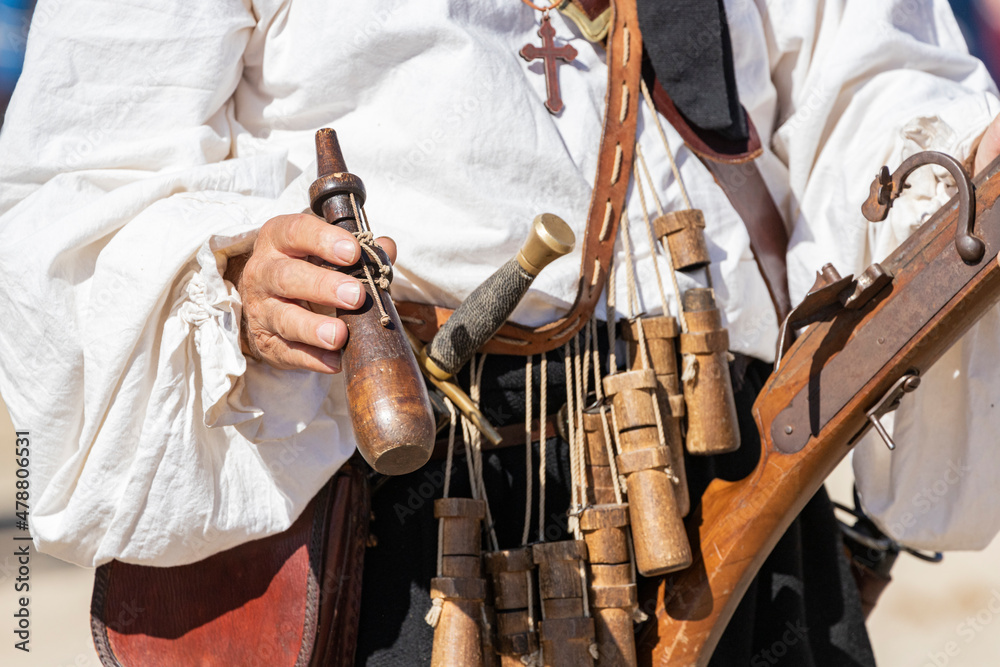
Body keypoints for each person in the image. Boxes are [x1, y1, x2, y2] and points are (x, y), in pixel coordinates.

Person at [2, 0, 1000, 664]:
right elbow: (70, 186)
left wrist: (966, 162)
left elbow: (875, 77)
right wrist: (235, 276)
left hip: (725, 457)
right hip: (396, 482)